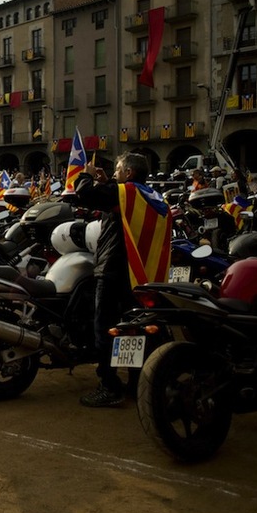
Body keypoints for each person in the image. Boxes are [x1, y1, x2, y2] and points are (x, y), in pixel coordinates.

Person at [74, 152, 170, 407]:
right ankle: (136, 382)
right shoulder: (151, 196)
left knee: (105, 330)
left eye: (117, 170)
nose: (114, 174)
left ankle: (108, 385)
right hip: (139, 274)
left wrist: (87, 173)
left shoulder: (124, 192)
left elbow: (85, 193)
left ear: (129, 173)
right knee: (133, 330)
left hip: (113, 269)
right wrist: (108, 182)